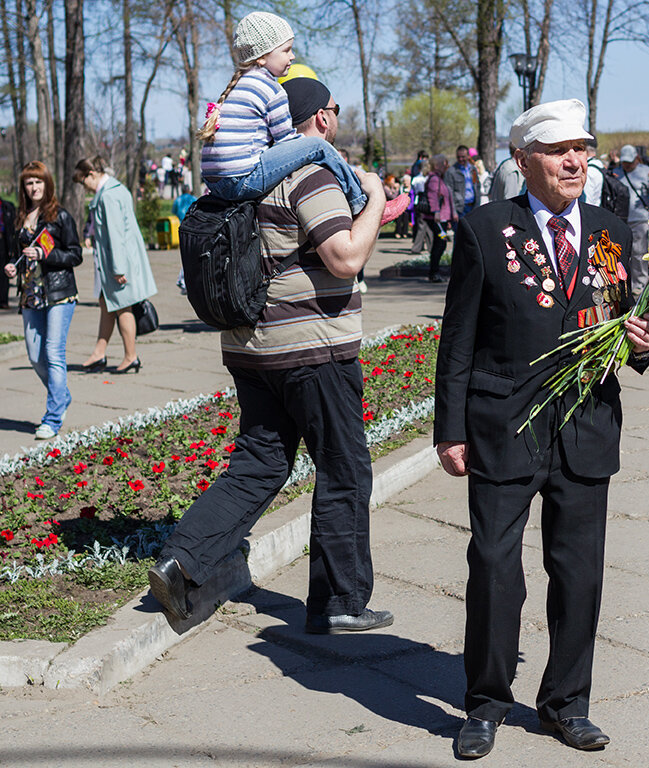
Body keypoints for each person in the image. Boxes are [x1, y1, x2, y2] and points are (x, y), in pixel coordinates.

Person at [433, 98, 649, 759]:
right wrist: (450, 429)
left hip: (586, 428)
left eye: (582, 148)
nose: (573, 159)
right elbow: (457, 339)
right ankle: (484, 705)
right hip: (502, 428)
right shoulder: (484, 229)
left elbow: (621, 329)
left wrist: (642, 341)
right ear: (524, 159)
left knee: (579, 575)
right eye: (559, 149)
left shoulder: (607, 230)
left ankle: (566, 706)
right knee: (495, 572)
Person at [148, 76, 393, 635]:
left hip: (249, 348)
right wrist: (375, 197)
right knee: (344, 468)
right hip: (312, 350)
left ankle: (181, 561)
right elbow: (344, 256)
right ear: (322, 121)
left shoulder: (241, 182)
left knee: (260, 464)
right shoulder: (310, 174)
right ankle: (341, 603)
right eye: (333, 109)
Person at [197, 12, 407, 225]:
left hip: (215, 184)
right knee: (317, 146)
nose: (293, 56)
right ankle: (361, 205)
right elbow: (286, 141)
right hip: (241, 181)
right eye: (286, 50)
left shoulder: (242, 85)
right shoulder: (271, 89)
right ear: (261, 57)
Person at [3, 162, 82, 440]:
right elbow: (17, 254)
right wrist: (12, 265)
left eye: (38, 182)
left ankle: (52, 417)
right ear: (23, 187)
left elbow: (75, 254)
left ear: (47, 184)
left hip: (59, 294)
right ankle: (61, 397)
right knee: (36, 357)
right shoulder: (19, 216)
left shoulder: (59, 216)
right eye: (29, 183)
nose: (34, 188)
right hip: (29, 295)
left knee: (53, 353)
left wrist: (45, 254)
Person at [74, 156, 158, 374]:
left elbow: (115, 233)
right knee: (106, 303)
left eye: (84, 183)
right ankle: (99, 353)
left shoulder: (108, 196)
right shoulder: (116, 189)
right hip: (121, 259)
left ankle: (131, 357)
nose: (85, 189)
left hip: (118, 262)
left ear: (91, 174)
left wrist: (118, 269)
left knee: (122, 307)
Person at [613, 144, 649, 293]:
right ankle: (623, 284)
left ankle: (640, 285)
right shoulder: (616, 173)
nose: (626, 165)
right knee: (622, 253)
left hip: (639, 218)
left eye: (629, 162)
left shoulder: (646, 172)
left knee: (639, 253)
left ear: (636, 159)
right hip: (621, 218)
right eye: (624, 162)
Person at [422, 153, 455, 282]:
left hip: (441, 218)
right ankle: (433, 272)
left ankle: (434, 272)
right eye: (444, 163)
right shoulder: (435, 179)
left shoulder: (439, 178)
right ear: (437, 165)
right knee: (440, 243)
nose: (446, 165)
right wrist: (436, 212)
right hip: (436, 219)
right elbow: (433, 197)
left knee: (440, 243)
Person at [447, 145, 480, 217]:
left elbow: (477, 187)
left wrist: (478, 205)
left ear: (468, 156)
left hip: (473, 207)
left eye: (463, 157)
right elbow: (449, 193)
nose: (460, 159)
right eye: (458, 157)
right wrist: (454, 212)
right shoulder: (451, 171)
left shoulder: (473, 169)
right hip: (460, 209)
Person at [0, 195, 17, 309]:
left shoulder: (7, 206)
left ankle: (3, 300)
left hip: (3, 242)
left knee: (4, 272)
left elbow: (12, 226)